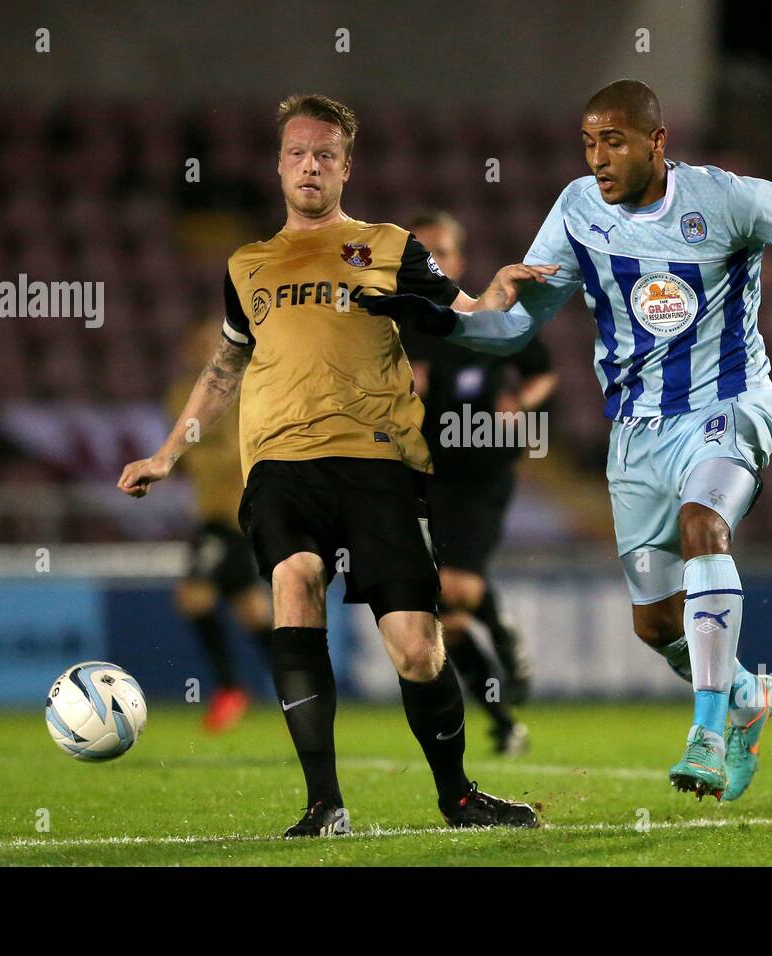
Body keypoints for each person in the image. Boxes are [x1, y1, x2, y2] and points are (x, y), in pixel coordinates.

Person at [364, 79, 772, 802]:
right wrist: (437, 318)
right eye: (589, 142)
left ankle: (706, 732)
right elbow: (511, 329)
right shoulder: (575, 211)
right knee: (656, 625)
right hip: (636, 433)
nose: (599, 157)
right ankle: (749, 695)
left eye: (615, 141)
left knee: (705, 525)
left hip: (730, 407)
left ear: (658, 142)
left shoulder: (726, 199)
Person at [119, 93, 555, 837]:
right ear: (280, 165)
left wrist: (500, 298)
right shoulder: (247, 266)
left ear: (346, 166)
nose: (310, 165)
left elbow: (464, 315)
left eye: (325, 154)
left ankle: (457, 797)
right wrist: (169, 452)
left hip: (380, 463)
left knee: (418, 649)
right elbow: (225, 366)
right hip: (282, 465)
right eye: (297, 153)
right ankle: (325, 803)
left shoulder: (389, 246)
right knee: (295, 583)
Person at [399, 210, 556, 756]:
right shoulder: (408, 325)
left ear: (459, 261)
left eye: (443, 251)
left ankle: (503, 629)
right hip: (434, 474)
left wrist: (519, 402)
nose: (435, 261)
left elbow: (542, 372)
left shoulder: (489, 317)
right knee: (449, 616)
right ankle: (503, 718)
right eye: (425, 253)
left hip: (486, 470)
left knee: (456, 589)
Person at [164, 317, 274, 733]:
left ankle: (231, 687)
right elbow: (186, 454)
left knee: (194, 597)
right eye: (201, 344)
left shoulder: (252, 392)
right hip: (214, 514)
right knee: (250, 609)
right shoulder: (180, 396)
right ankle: (297, 688)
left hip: (235, 517)